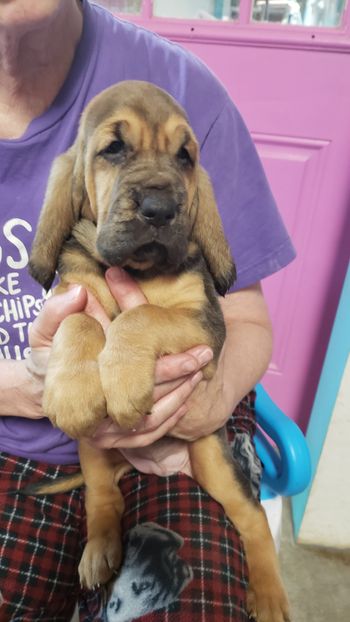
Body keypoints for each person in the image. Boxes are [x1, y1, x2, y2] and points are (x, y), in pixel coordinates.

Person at [0, 1, 295, 620]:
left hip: (182, 440)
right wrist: (35, 384)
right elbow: (69, 309)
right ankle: (100, 511)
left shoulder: (190, 91)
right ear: (76, 183)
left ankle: (258, 545)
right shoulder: (75, 232)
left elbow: (237, 316)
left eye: (179, 160)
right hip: (31, 435)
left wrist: (199, 407)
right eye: (115, 151)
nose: (157, 191)